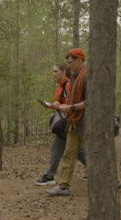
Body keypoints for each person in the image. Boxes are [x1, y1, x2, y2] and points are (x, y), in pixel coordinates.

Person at [35, 63, 86, 186]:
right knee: (70, 149)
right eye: (53, 71)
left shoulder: (69, 85)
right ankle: (50, 175)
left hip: (70, 121)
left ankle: (50, 175)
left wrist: (59, 106)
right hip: (64, 121)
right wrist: (52, 105)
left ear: (63, 72)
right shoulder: (59, 86)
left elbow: (73, 103)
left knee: (70, 149)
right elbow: (61, 102)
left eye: (56, 71)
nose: (53, 74)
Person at [46, 48, 88, 196]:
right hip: (73, 121)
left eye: (71, 63)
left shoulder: (88, 75)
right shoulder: (75, 76)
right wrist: (65, 106)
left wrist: (71, 107)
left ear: (79, 60)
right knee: (69, 153)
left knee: (92, 155)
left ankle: (111, 180)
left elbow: (91, 101)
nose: (68, 66)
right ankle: (63, 186)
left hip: (86, 121)